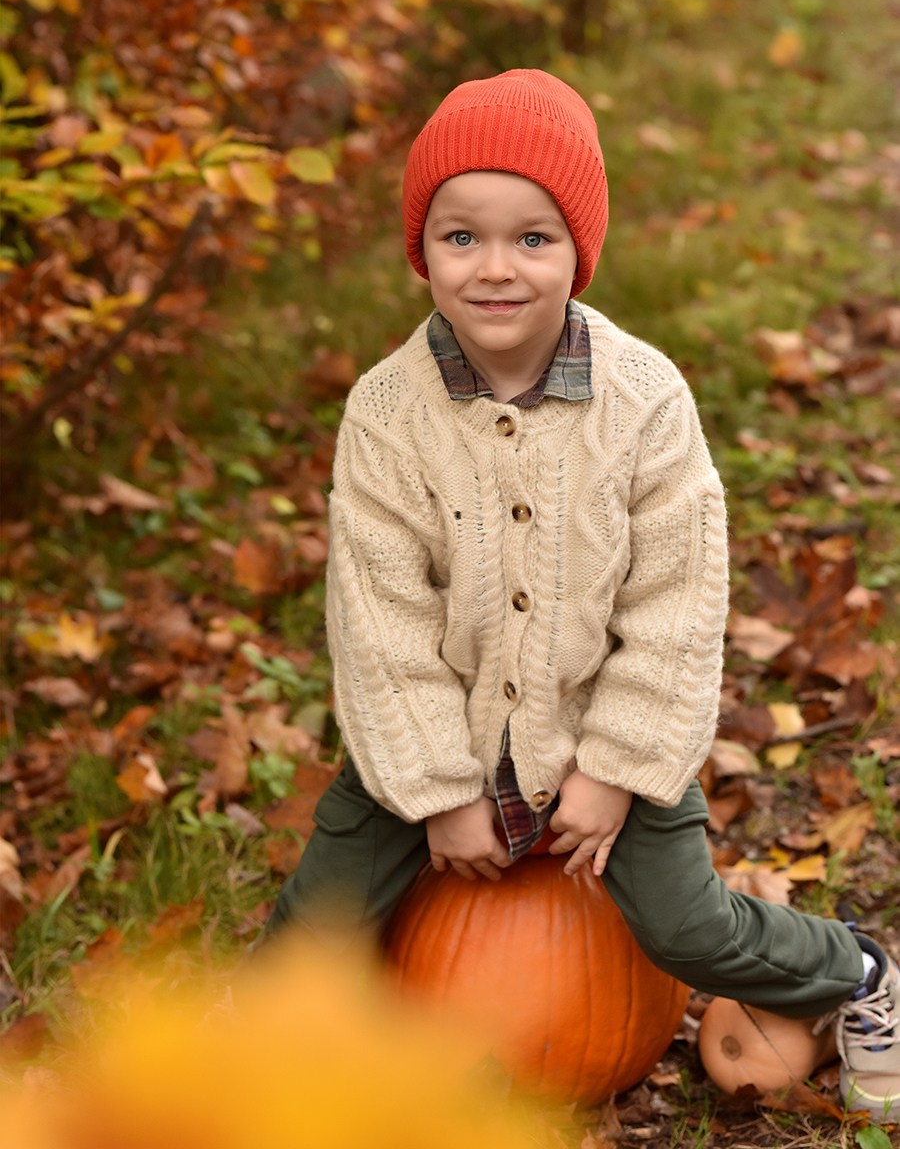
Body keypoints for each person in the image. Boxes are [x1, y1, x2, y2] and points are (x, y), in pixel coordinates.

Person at [264, 69, 899, 1122]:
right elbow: (381, 621)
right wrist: (438, 789)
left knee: (687, 928)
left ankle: (860, 977)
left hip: (603, 726)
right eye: (461, 237)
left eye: (534, 238)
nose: (496, 268)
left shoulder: (644, 401)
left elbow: (676, 604)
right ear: (421, 249)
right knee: (315, 926)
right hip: (441, 730)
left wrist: (614, 768)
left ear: (579, 250)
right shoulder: (387, 413)